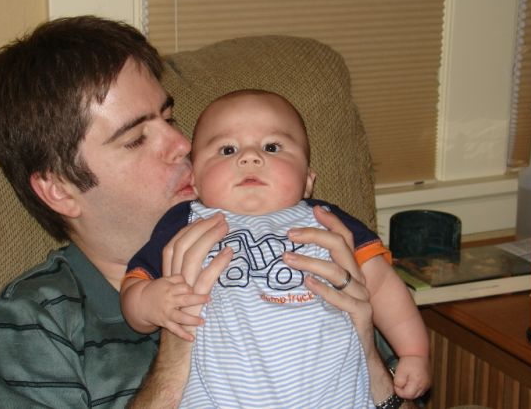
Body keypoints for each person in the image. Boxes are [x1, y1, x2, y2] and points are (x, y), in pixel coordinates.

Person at [0, 16, 407, 409]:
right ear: (60, 189)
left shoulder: (296, 237)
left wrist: (366, 349)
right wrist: (177, 352)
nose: (183, 144)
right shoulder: (30, 326)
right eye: (136, 139)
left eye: (168, 119)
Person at [122, 89, 431, 407]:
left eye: (272, 147)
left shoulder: (325, 221)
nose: (250, 157)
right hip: (222, 396)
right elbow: (134, 284)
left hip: (330, 392)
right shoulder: (184, 222)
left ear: (308, 180)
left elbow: (382, 285)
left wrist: (413, 352)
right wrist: (149, 303)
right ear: (196, 182)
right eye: (227, 149)